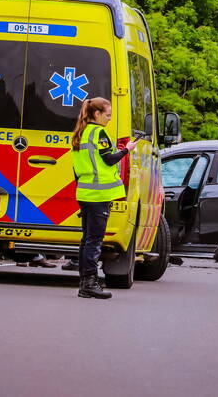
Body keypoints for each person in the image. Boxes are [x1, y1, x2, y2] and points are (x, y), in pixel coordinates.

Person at [70, 97, 137, 299]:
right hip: (99, 194)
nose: (109, 119)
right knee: (94, 240)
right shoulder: (99, 133)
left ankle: (85, 283)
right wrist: (127, 149)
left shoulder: (80, 133)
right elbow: (109, 159)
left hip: (85, 193)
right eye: (107, 115)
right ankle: (90, 283)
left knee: (87, 240)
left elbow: (77, 169)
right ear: (97, 114)